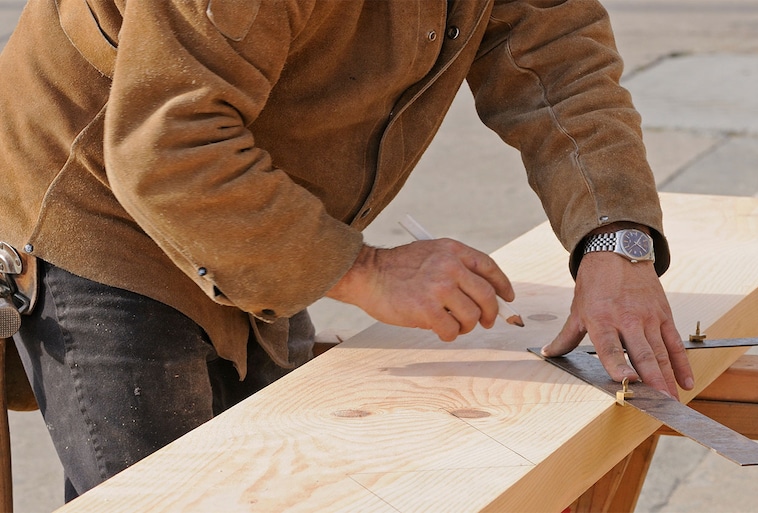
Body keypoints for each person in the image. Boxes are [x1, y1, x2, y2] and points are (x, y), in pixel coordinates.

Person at [0, 0, 693, 501]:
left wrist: (615, 241)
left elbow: (560, 61)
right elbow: (168, 145)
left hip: (255, 197)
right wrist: (363, 271)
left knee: (279, 485)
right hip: (100, 207)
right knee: (171, 492)